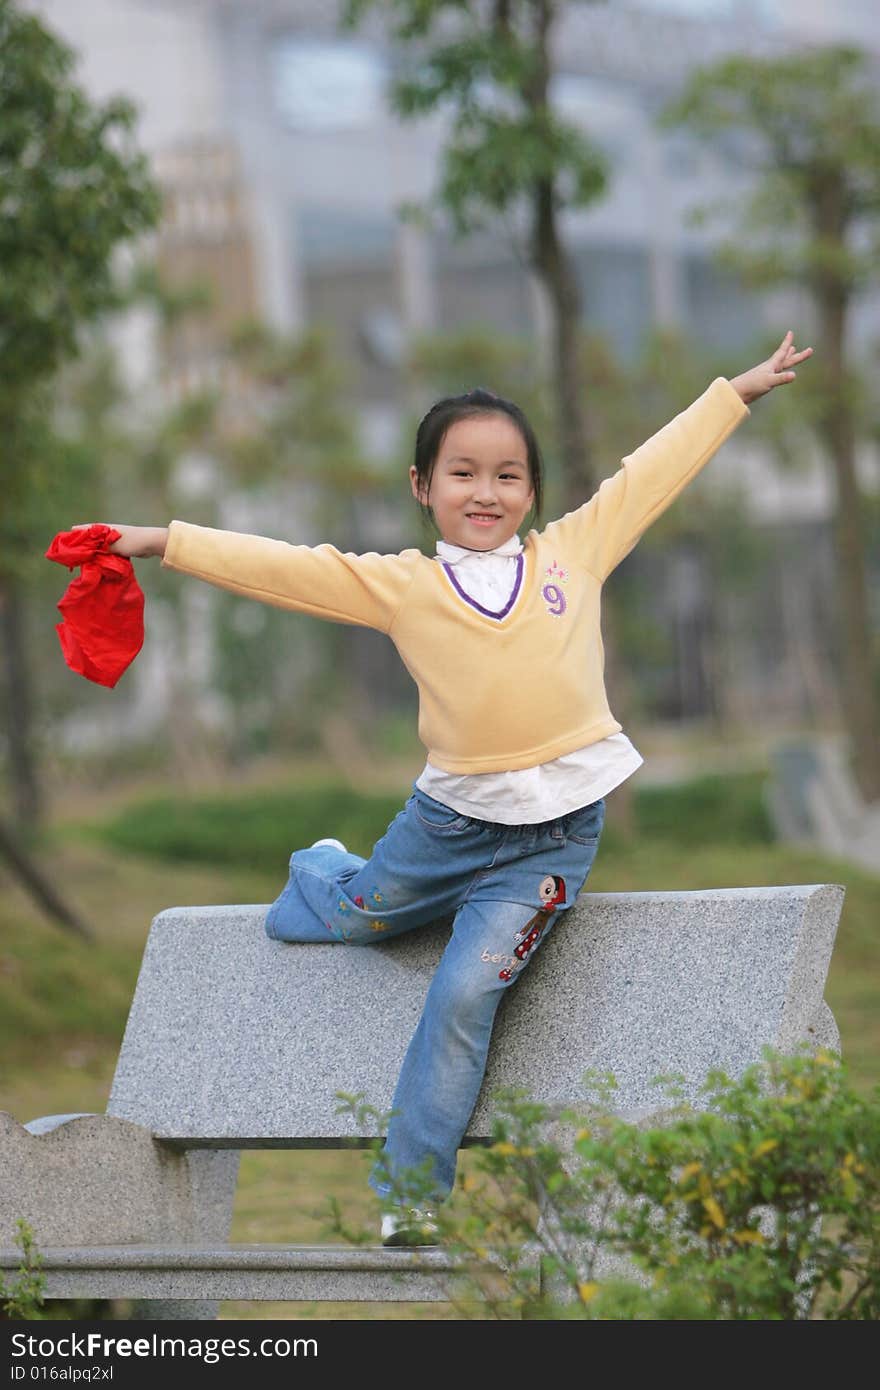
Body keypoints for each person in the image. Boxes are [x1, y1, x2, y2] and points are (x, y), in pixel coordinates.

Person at [72, 330, 812, 1246]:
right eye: (463, 473)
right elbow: (282, 563)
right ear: (424, 487)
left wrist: (736, 392)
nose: (486, 492)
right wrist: (155, 540)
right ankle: (323, 872)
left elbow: (648, 473)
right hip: (442, 831)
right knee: (352, 919)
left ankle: (412, 1198)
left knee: (464, 996)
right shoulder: (403, 587)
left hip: (548, 847)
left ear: (532, 491)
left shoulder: (572, 557)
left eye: (508, 475)